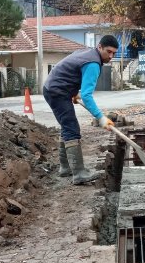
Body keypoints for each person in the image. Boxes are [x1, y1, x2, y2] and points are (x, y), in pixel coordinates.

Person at [43, 35, 118, 185]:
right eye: (108, 52)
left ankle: (65, 168)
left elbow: (71, 71)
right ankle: (79, 173)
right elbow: (87, 96)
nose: (111, 56)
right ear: (100, 47)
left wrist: (73, 92)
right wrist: (101, 118)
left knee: (67, 126)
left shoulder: (86, 53)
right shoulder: (93, 63)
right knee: (72, 128)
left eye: (114, 53)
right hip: (57, 92)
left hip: (54, 88)